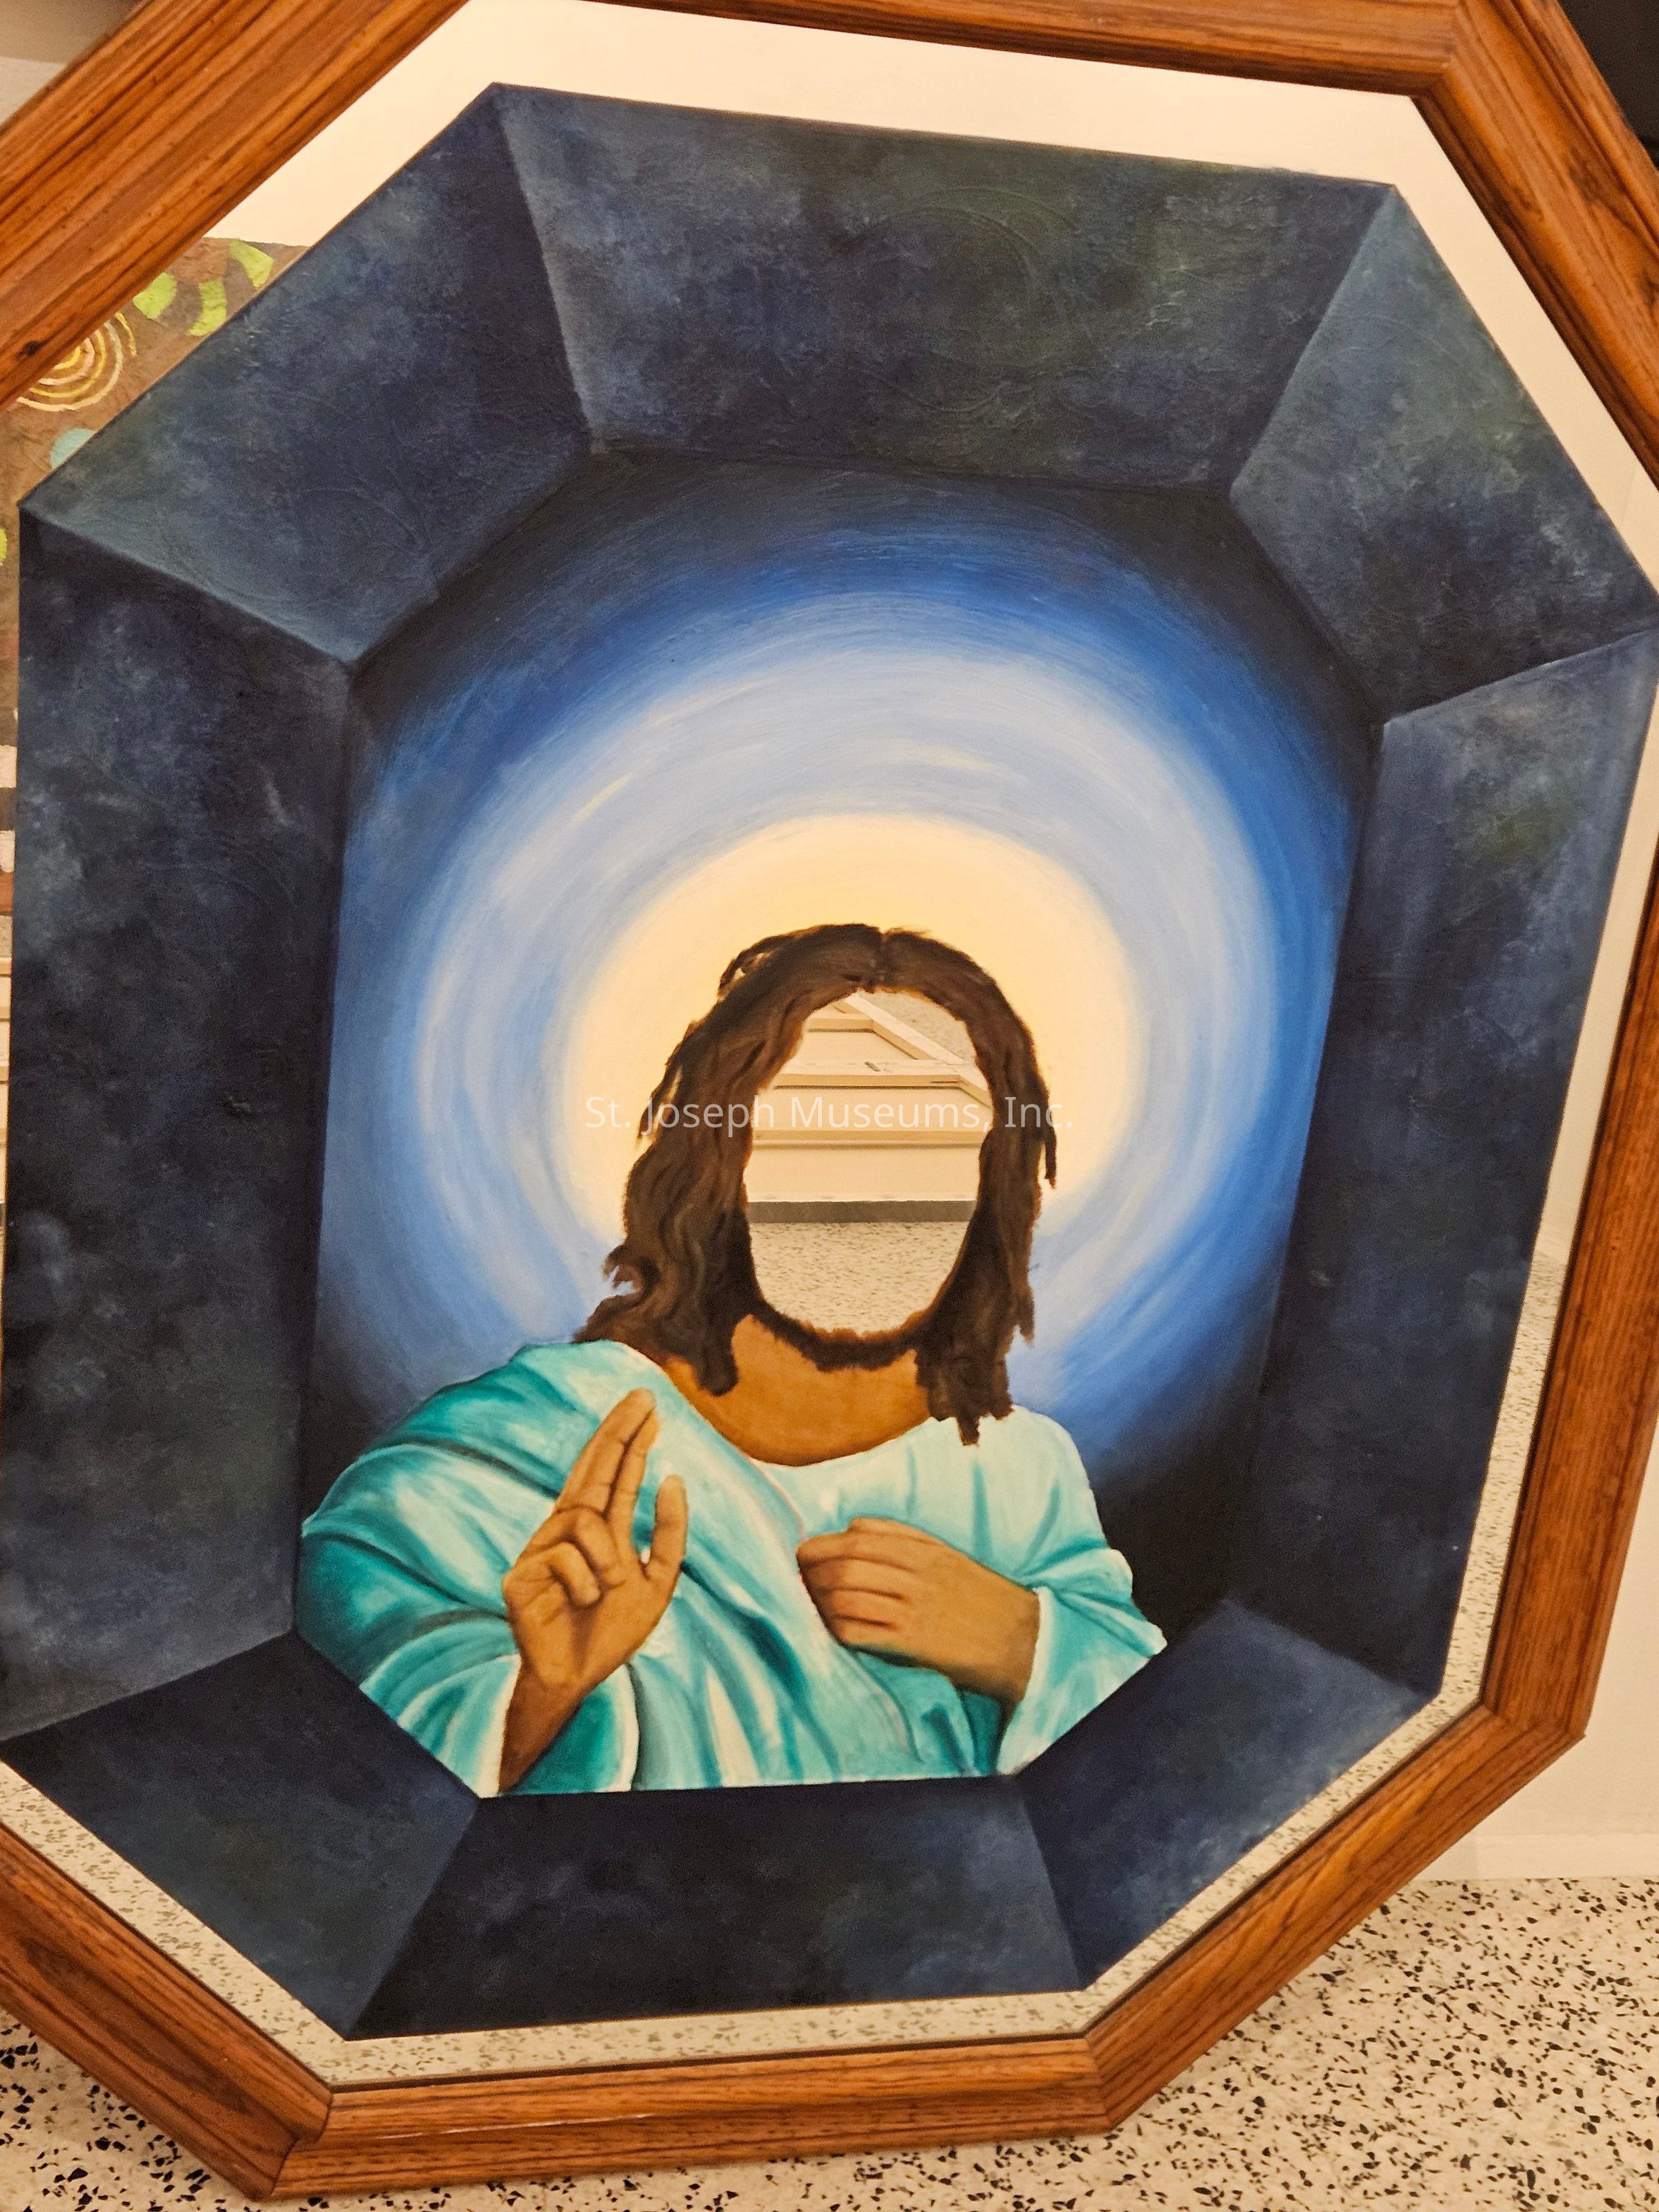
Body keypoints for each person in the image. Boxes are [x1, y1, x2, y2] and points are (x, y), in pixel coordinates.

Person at [297, 924, 1163, 1793]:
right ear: (726, 1157)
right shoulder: (524, 1444)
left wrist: (1021, 1641)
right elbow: (325, 1724)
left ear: (990, 1180)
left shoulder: (1019, 1473)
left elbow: (1168, 1750)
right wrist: (539, 1694)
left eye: (931, 1134)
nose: (866, 1189)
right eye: (814, 1125)